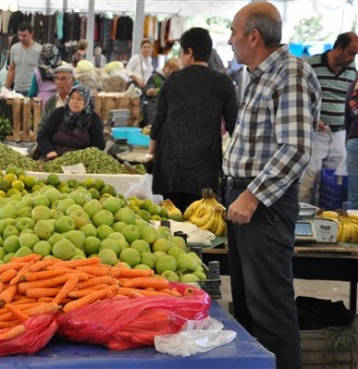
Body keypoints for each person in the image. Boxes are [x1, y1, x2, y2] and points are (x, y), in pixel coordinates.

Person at [223, 3, 321, 369]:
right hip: (246, 199)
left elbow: (295, 148)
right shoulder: (260, 74)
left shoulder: (289, 73)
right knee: (249, 307)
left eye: (234, 32)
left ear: (254, 36)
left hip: (264, 204)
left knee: (271, 311)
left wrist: (251, 196)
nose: (230, 40)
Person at [147, 28, 238, 213]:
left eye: (181, 51)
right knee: (202, 223)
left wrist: (150, 155)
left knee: (172, 222)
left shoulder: (173, 80)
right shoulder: (223, 83)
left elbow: (159, 121)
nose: (180, 56)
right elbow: (233, 126)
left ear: (189, 52)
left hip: (170, 168)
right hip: (205, 169)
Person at [299, 32, 358, 205]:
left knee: (333, 184)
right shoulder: (310, 65)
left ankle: (327, 220)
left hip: (339, 134)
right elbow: (297, 97)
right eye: (351, 52)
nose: (353, 57)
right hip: (315, 133)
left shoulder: (352, 71)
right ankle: (301, 221)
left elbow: (350, 103)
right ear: (338, 48)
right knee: (309, 180)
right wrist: (311, 120)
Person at [37, 85, 105, 160]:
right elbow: (42, 136)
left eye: (79, 99)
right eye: (72, 98)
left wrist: (85, 157)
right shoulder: (58, 113)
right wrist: (50, 153)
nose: (74, 101)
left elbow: (99, 144)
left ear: (87, 102)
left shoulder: (94, 119)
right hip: (54, 155)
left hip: (82, 159)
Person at [142, 57, 181, 127]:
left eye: (174, 71)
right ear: (166, 67)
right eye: (170, 69)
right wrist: (149, 91)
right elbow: (149, 86)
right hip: (154, 110)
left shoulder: (172, 79)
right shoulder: (155, 77)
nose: (171, 72)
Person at [5, 22, 41, 95]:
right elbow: (11, 69)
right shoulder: (14, 48)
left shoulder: (39, 50)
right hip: (17, 89)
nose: (21, 38)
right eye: (19, 35)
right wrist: (5, 89)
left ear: (31, 34)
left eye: (24, 35)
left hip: (32, 90)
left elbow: (41, 71)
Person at [38, 63, 76, 132]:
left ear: (72, 80)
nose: (59, 82)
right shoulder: (51, 101)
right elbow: (42, 126)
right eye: (57, 79)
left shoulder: (79, 101)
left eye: (64, 79)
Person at [346, 77, 358, 209]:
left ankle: (354, 229)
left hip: (354, 139)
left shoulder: (354, 83)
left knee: (355, 197)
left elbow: (347, 117)